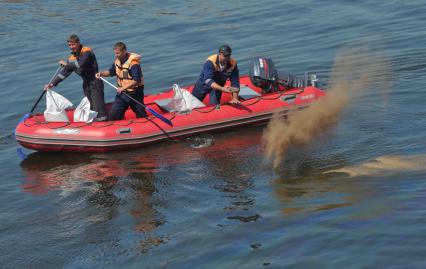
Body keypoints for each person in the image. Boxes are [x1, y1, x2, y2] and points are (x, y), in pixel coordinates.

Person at [45, 34, 107, 121]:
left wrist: (66, 64)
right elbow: (65, 72)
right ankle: (93, 123)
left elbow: (80, 64)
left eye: (73, 44)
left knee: (98, 107)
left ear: (78, 43)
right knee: (90, 107)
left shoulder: (86, 51)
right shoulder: (71, 58)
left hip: (95, 82)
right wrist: (52, 83)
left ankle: (103, 122)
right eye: (69, 45)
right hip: (86, 83)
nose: (71, 47)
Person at [96, 42, 146, 121]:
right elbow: (110, 72)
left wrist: (123, 88)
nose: (116, 55)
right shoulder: (117, 61)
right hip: (123, 94)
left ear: (124, 51)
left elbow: (136, 80)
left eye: (118, 53)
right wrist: (101, 74)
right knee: (113, 114)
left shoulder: (133, 64)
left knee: (141, 114)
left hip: (135, 93)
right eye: (115, 53)